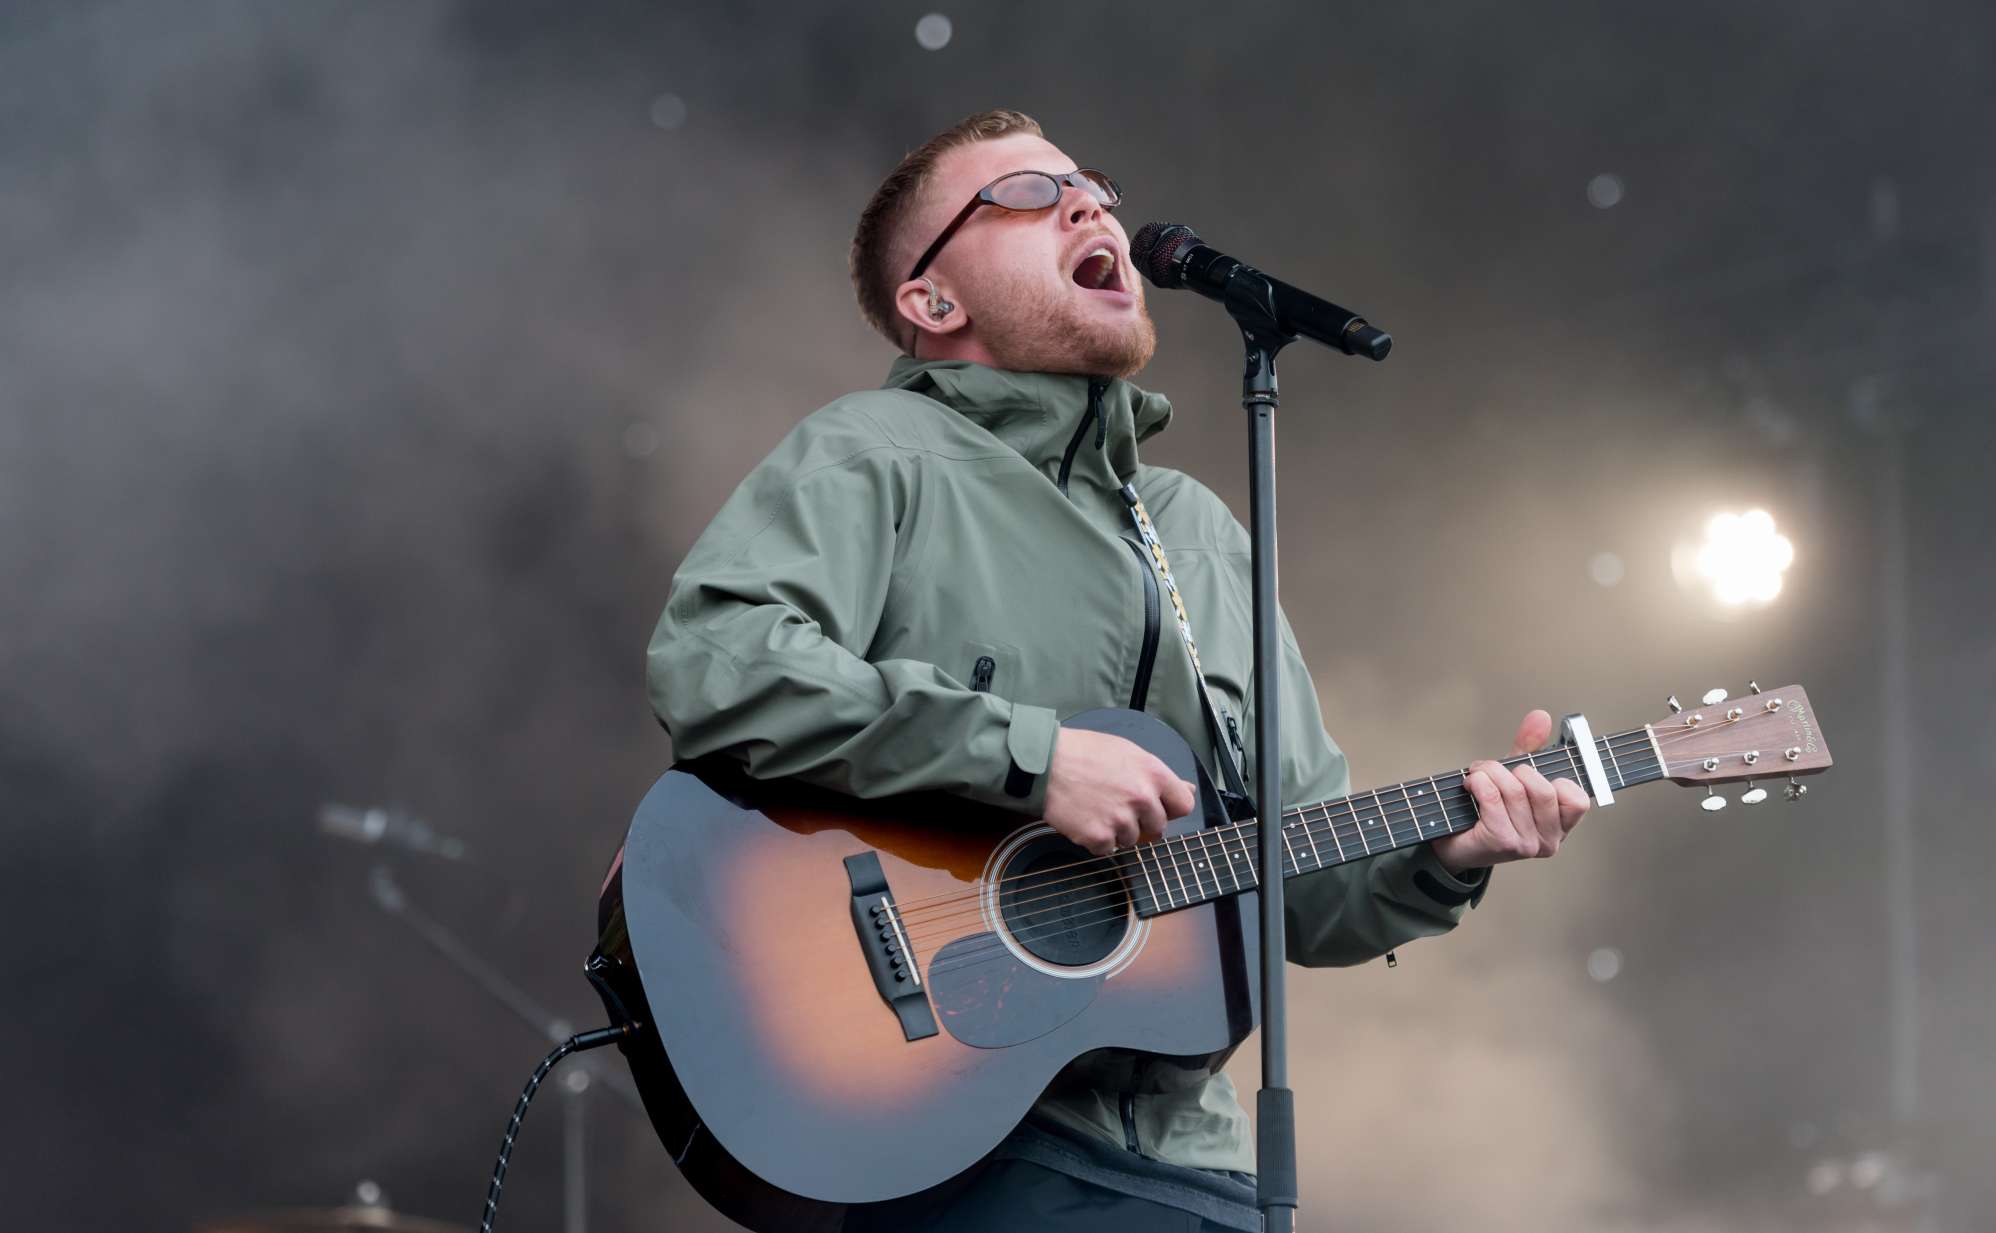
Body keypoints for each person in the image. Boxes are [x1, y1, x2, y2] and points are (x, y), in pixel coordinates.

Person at [644, 109, 1593, 1232]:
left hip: (1206, 1171)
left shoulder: (1193, 527)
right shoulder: (872, 453)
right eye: (1028, 196)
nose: (1090, 204)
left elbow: (1300, 881)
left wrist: (1445, 856)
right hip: (963, 1139)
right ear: (931, 303)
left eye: (1088, 184)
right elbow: (718, 663)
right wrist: (1027, 759)